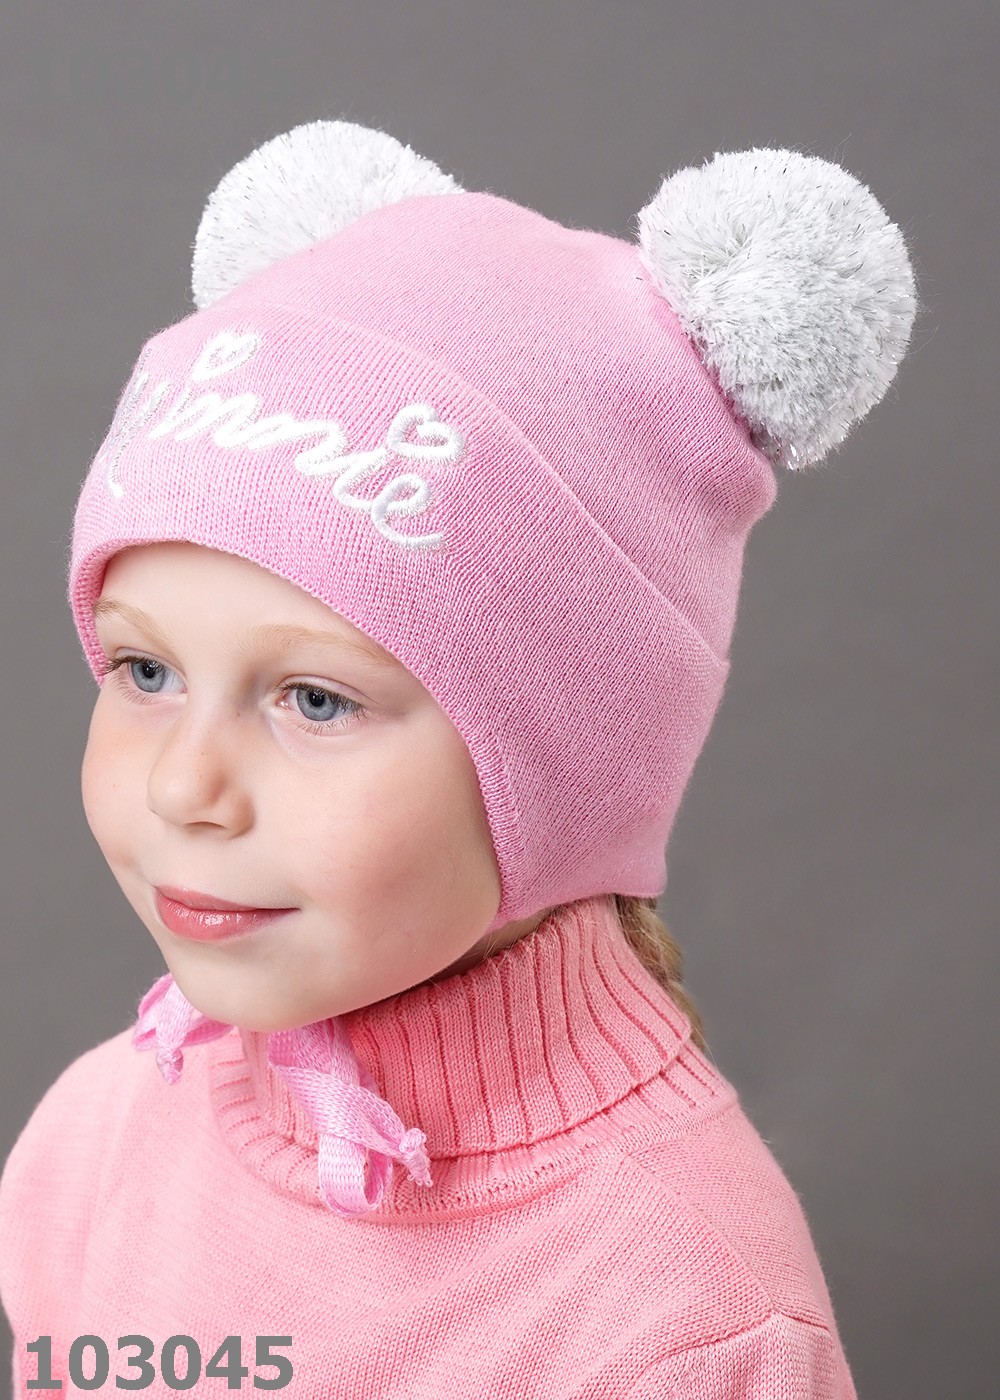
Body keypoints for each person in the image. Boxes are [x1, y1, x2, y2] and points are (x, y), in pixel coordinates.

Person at [0, 119, 920, 1397]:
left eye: (314, 698)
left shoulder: (677, 1326)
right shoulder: (96, 1144)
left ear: (567, 768)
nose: (180, 788)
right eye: (144, 671)